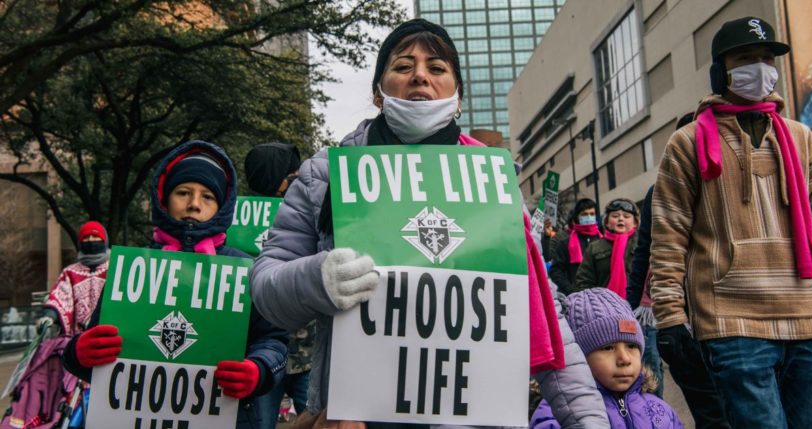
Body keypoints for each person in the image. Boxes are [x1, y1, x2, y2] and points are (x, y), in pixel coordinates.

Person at [251, 18, 609, 428]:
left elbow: (540, 314)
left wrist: (588, 421)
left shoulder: (493, 186)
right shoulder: (326, 175)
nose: (420, 75)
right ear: (378, 94)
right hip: (357, 418)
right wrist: (319, 279)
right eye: (403, 66)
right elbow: (266, 289)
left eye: (437, 68)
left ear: (457, 99)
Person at [651, 16, 812, 428]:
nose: (760, 68)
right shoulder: (688, 141)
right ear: (720, 70)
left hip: (807, 316)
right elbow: (668, 234)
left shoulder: (802, 138)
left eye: (766, 58)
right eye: (747, 58)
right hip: (731, 322)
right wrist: (670, 317)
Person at [61, 140, 289, 429]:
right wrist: (79, 352)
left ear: (222, 206)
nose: (194, 203)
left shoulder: (246, 269)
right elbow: (93, 345)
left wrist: (259, 370)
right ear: (164, 199)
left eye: (207, 196)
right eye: (183, 192)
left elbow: (274, 339)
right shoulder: (131, 269)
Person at [627, 116, 730, 428]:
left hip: (735, 314)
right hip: (681, 318)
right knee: (713, 412)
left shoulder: (736, 181)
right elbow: (645, 253)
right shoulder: (658, 192)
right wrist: (631, 309)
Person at [529, 288, 683, 428]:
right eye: (608, 348)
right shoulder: (558, 414)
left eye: (631, 346)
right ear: (577, 356)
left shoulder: (660, 411)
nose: (624, 359)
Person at [244, 142, 314, 428]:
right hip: (261, 356)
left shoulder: (310, 214)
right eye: (292, 173)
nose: (299, 177)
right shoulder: (235, 224)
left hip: (309, 352)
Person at [38, 221, 110, 339]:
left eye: (95, 236)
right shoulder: (70, 273)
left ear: (104, 240)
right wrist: (49, 316)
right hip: (79, 341)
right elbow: (60, 299)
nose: (91, 240)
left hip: (110, 337)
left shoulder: (115, 268)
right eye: (86, 237)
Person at [574, 199, 638, 297]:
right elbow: (584, 281)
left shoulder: (643, 244)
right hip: (604, 308)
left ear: (635, 223)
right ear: (607, 222)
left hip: (638, 307)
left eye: (626, 216)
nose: (621, 219)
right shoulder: (594, 248)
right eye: (615, 216)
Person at [548, 199, 601, 295]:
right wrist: (571, 290)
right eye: (584, 214)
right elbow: (555, 271)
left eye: (592, 214)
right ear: (577, 217)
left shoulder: (603, 241)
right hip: (575, 297)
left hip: (602, 296)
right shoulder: (565, 244)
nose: (589, 217)